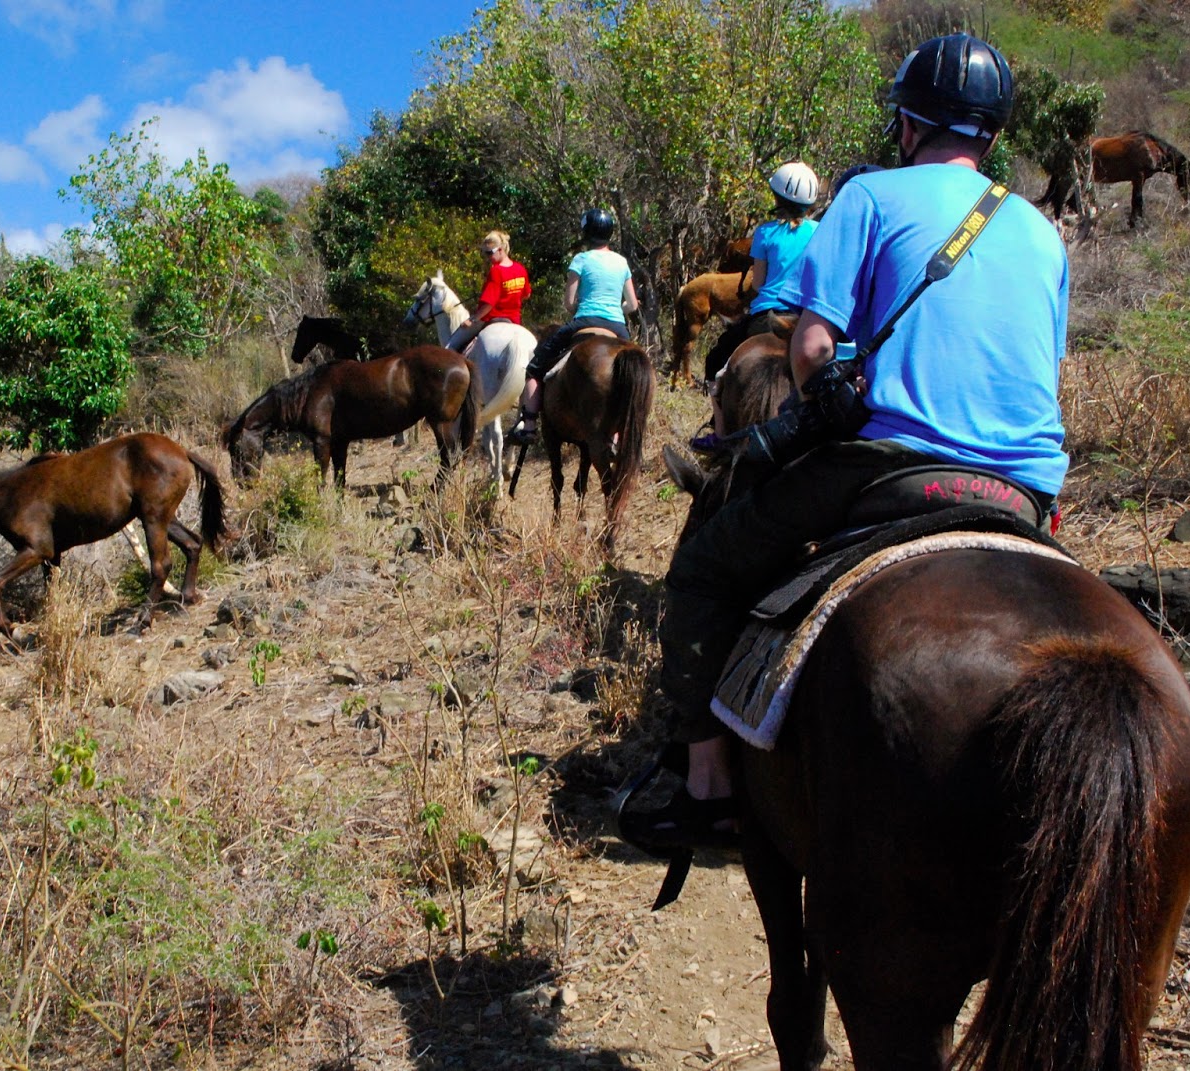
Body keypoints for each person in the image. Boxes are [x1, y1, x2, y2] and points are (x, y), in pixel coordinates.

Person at [623, 33, 1069, 853]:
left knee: (704, 567)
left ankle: (708, 787)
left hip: (894, 464)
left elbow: (812, 347)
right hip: (1026, 490)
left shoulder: (869, 197)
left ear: (906, 123)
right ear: (993, 136)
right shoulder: (1042, 233)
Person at [510, 208, 639, 444]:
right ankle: (619, 432)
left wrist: (584, 305)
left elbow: (569, 303)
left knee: (535, 368)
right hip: (617, 326)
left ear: (586, 233)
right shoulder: (622, 262)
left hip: (585, 321)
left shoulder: (581, 259)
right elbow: (631, 304)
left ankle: (528, 426)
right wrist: (615, 307)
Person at [699, 162, 821, 389]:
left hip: (766, 315)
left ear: (777, 198)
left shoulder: (765, 232)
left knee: (715, 363)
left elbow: (758, 283)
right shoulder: (821, 231)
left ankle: (719, 422)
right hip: (806, 316)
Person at [445, 230, 532, 352]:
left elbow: (489, 304)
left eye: (490, 253)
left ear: (501, 249)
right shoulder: (520, 269)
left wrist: (472, 320)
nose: (488, 257)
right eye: (485, 253)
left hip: (492, 318)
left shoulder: (496, 271)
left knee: (450, 346)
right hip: (515, 320)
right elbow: (526, 294)